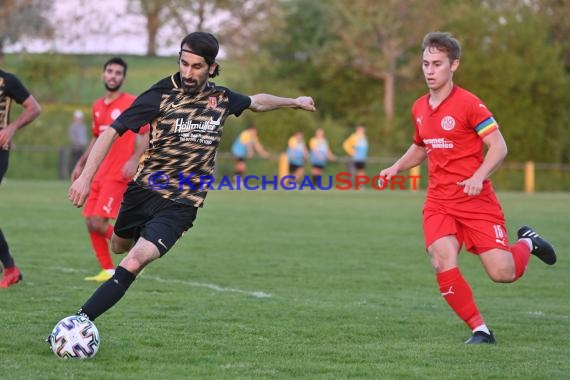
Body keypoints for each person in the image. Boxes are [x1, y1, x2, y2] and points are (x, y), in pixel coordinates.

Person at [65, 32, 315, 323]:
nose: (188, 72)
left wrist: (294, 101)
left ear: (211, 67)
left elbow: (256, 102)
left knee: (133, 261)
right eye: (184, 64)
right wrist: (85, 177)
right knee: (119, 246)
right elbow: (112, 130)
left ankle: (79, 321)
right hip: (144, 191)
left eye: (196, 66)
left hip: (182, 204)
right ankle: (141, 236)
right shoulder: (160, 95)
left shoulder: (221, 99)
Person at [378, 31, 557, 344]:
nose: (429, 71)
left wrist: (479, 175)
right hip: (439, 201)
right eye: (425, 64)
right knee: (440, 259)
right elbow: (421, 146)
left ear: (454, 65)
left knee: (503, 273)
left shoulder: (469, 104)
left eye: (437, 64)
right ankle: (480, 329)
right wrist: (396, 166)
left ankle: (527, 242)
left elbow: (498, 147)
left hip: (475, 200)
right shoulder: (419, 107)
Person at [71, 57, 149, 283]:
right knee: (89, 222)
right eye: (110, 71)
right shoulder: (97, 106)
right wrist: (82, 164)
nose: (113, 76)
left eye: (118, 73)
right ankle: (107, 270)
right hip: (97, 174)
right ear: (103, 74)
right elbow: (97, 137)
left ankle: (137, 249)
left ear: (123, 78)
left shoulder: (131, 102)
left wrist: (135, 158)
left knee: (99, 222)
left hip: (117, 174)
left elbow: (146, 131)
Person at [0, 69, 41, 288]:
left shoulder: (7, 81)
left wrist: (11, 128)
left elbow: (34, 108)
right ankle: (8, 267)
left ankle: (10, 268)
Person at [68, 109, 88, 174]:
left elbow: (84, 137)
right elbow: (72, 138)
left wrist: (84, 143)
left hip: (82, 148)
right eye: (78, 118)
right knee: (74, 162)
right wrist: (80, 143)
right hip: (75, 148)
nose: (79, 120)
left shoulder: (83, 127)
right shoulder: (73, 127)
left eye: (80, 118)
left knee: (82, 163)